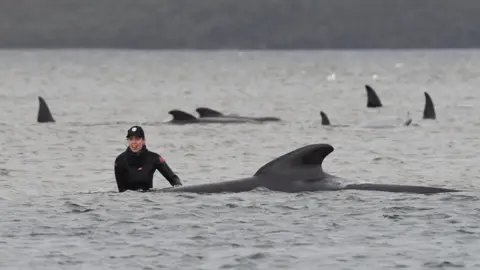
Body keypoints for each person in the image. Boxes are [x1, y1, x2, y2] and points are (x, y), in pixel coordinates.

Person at [114, 125, 182, 192]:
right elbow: (121, 190)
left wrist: (180, 190)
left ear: (143, 140)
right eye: (131, 139)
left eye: (137, 139)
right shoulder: (120, 160)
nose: (134, 142)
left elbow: (173, 178)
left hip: (148, 200)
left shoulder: (154, 158)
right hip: (128, 201)